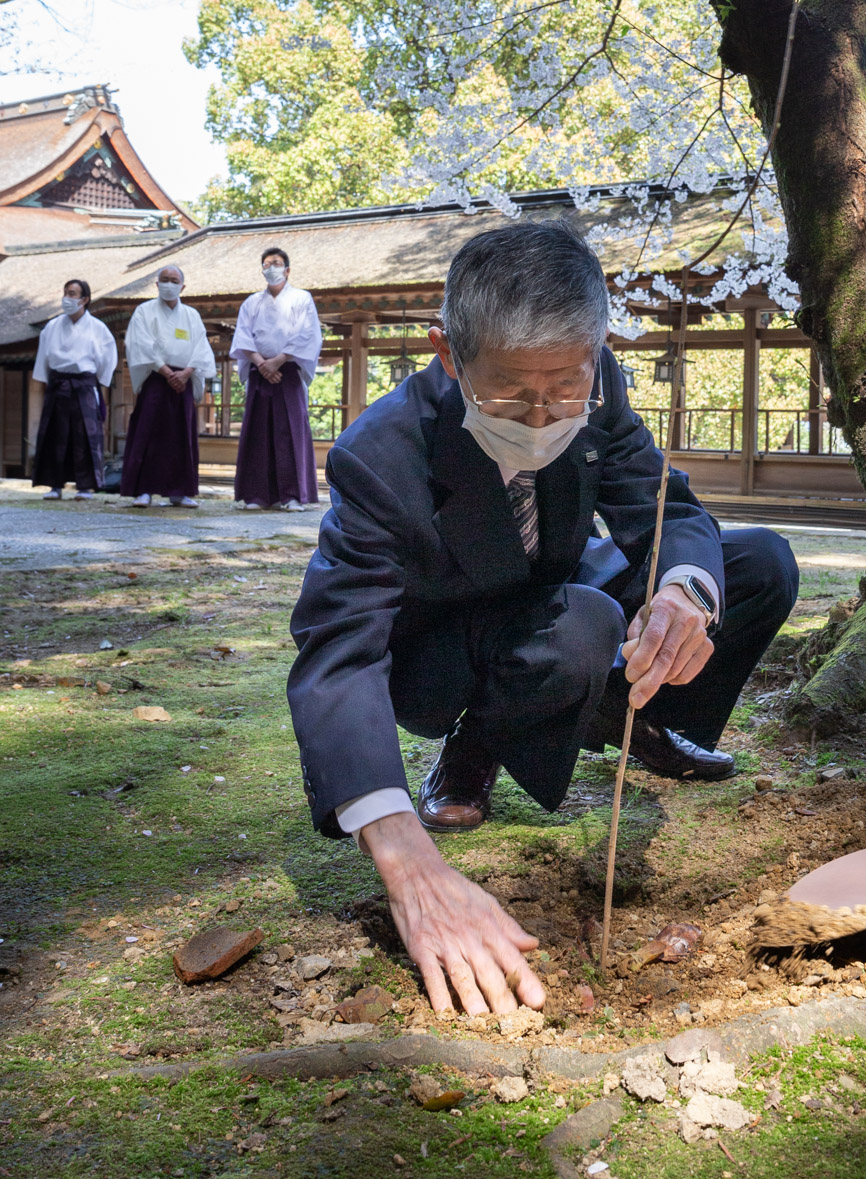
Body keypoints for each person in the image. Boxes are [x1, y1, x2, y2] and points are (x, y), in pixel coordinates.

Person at [287, 220, 798, 1016]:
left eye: (563, 387)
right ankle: (474, 743)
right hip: (447, 646)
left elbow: (661, 505)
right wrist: (404, 859)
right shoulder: (379, 454)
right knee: (583, 625)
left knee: (753, 562)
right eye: (507, 392)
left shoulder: (595, 388)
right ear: (450, 355)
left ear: (594, 353)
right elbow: (337, 653)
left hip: (555, 595)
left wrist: (680, 593)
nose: (538, 418)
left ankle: (638, 718)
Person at [229, 247, 322, 510]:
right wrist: (261, 363)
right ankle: (256, 495)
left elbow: (307, 335)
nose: (272, 267)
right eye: (267, 263)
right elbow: (243, 336)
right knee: (258, 432)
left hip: (288, 371)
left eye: (277, 263)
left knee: (289, 432)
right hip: (260, 372)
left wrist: (279, 360)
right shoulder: (252, 302)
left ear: (287, 269)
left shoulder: (302, 299)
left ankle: (292, 495)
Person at [120, 266, 216, 507]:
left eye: (174, 280)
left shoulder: (192, 315)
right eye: (164, 280)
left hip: (182, 381)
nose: (169, 284)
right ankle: (144, 490)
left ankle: (179, 491)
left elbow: (201, 347)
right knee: (148, 432)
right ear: (157, 284)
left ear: (182, 286)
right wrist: (165, 371)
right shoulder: (144, 311)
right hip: (156, 379)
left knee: (180, 436)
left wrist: (186, 373)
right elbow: (140, 344)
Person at [30, 279, 117, 501]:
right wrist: (47, 382)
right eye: (66, 293)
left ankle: (85, 486)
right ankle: (54, 485)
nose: (67, 298)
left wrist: (96, 383)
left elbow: (107, 360)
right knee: (55, 435)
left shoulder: (98, 328)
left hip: (84, 385)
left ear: (84, 299)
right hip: (58, 384)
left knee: (84, 436)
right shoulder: (52, 327)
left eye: (72, 294)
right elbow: (43, 361)